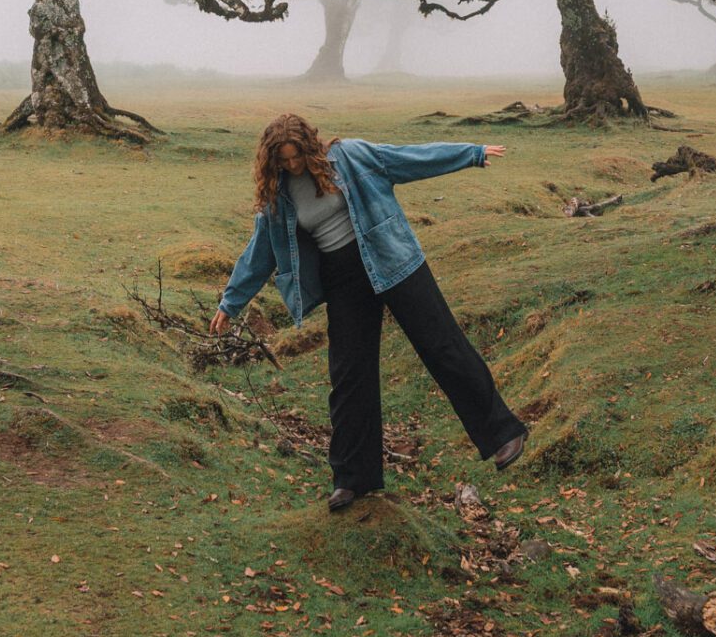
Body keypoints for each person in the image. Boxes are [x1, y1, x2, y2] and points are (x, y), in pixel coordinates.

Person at [212, 114, 527, 512]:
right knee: (349, 375)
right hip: (343, 280)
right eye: (284, 162)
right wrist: (231, 301)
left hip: (393, 259)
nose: (292, 167)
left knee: (442, 345)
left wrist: (471, 154)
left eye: (296, 158)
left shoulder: (350, 157)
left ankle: (502, 434)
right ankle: (353, 478)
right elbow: (260, 252)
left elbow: (410, 159)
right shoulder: (279, 195)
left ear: (310, 147)